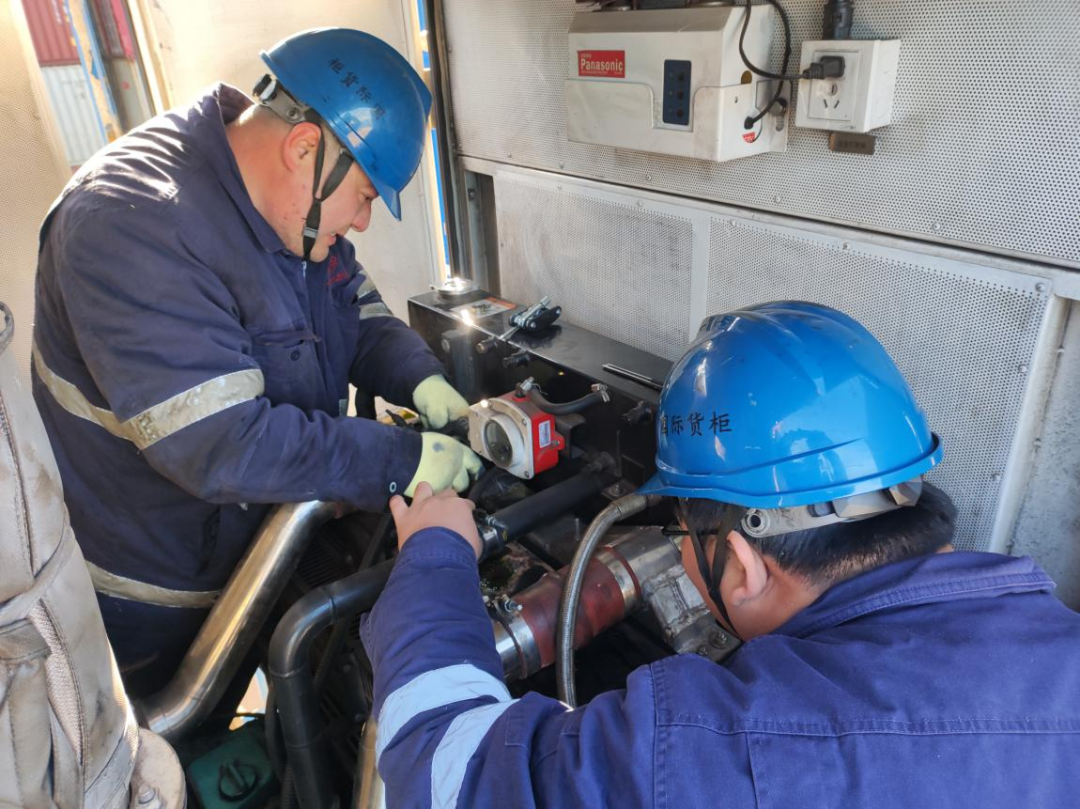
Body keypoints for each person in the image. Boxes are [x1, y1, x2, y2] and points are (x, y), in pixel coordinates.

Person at [361, 301, 1080, 807]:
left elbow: (446, 770)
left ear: (742, 565)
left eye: (684, 538)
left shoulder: (706, 753)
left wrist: (434, 551)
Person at [31, 28, 480, 697]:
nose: (363, 222)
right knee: (168, 747)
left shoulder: (285, 210)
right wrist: (397, 458)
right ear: (304, 148)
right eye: (364, 196)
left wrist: (421, 376)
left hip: (248, 559)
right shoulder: (128, 224)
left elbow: (356, 311)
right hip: (140, 604)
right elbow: (222, 444)